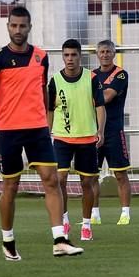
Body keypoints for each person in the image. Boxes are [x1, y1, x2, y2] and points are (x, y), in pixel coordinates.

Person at [0, 6, 83, 260]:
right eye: (14, 25)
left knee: (51, 180)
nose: (18, 30)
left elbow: (42, 90)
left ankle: (60, 240)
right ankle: (8, 240)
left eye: (23, 26)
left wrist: (47, 119)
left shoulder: (41, 57)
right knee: (10, 186)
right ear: (8, 27)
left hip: (37, 130)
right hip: (9, 131)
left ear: (29, 27)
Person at [47, 39, 106, 242]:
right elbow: (49, 109)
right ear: (62, 56)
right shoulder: (55, 81)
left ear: (80, 56)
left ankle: (87, 224)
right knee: (59, 180)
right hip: (62, 137)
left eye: (73, 55)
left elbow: (100, 106)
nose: (70, 59)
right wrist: (47, 133)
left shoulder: (91, 78)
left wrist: (101, 131)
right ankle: (64, 220)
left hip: (87, 138)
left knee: (86, 183)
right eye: (66, 55)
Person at [91, 40, 131, 225]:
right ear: (97, 54)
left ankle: (125, 213)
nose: (105, 54)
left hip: (114, 130)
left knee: (121, 174)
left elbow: (107, 96)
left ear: (113, 53)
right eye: (101, 51)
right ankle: (94, 214)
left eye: (108, 51)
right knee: (91, 175)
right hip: (93, 131)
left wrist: (87, 99)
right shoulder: (91, 75)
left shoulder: (121, 74)